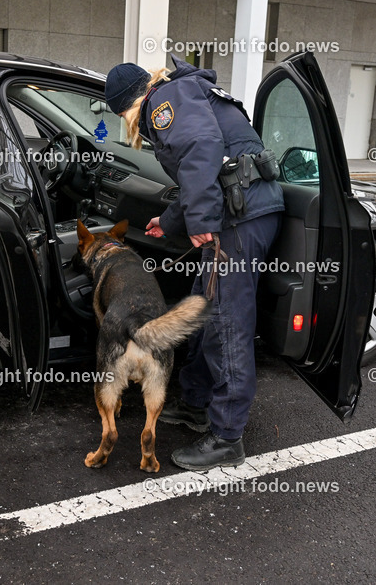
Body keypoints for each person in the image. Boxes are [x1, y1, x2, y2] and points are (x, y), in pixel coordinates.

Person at [104, 56, 284, 471]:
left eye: (124, 117)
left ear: (130, 105)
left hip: (242, 217)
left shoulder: (164, 99)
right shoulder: (180, 92)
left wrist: (200, 221)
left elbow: (202, 149)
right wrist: (168, 221)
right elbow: (200, 171)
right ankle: (197, 403)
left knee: (227, 321)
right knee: (203, 309)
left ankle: (227, 437)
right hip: (238, 210)